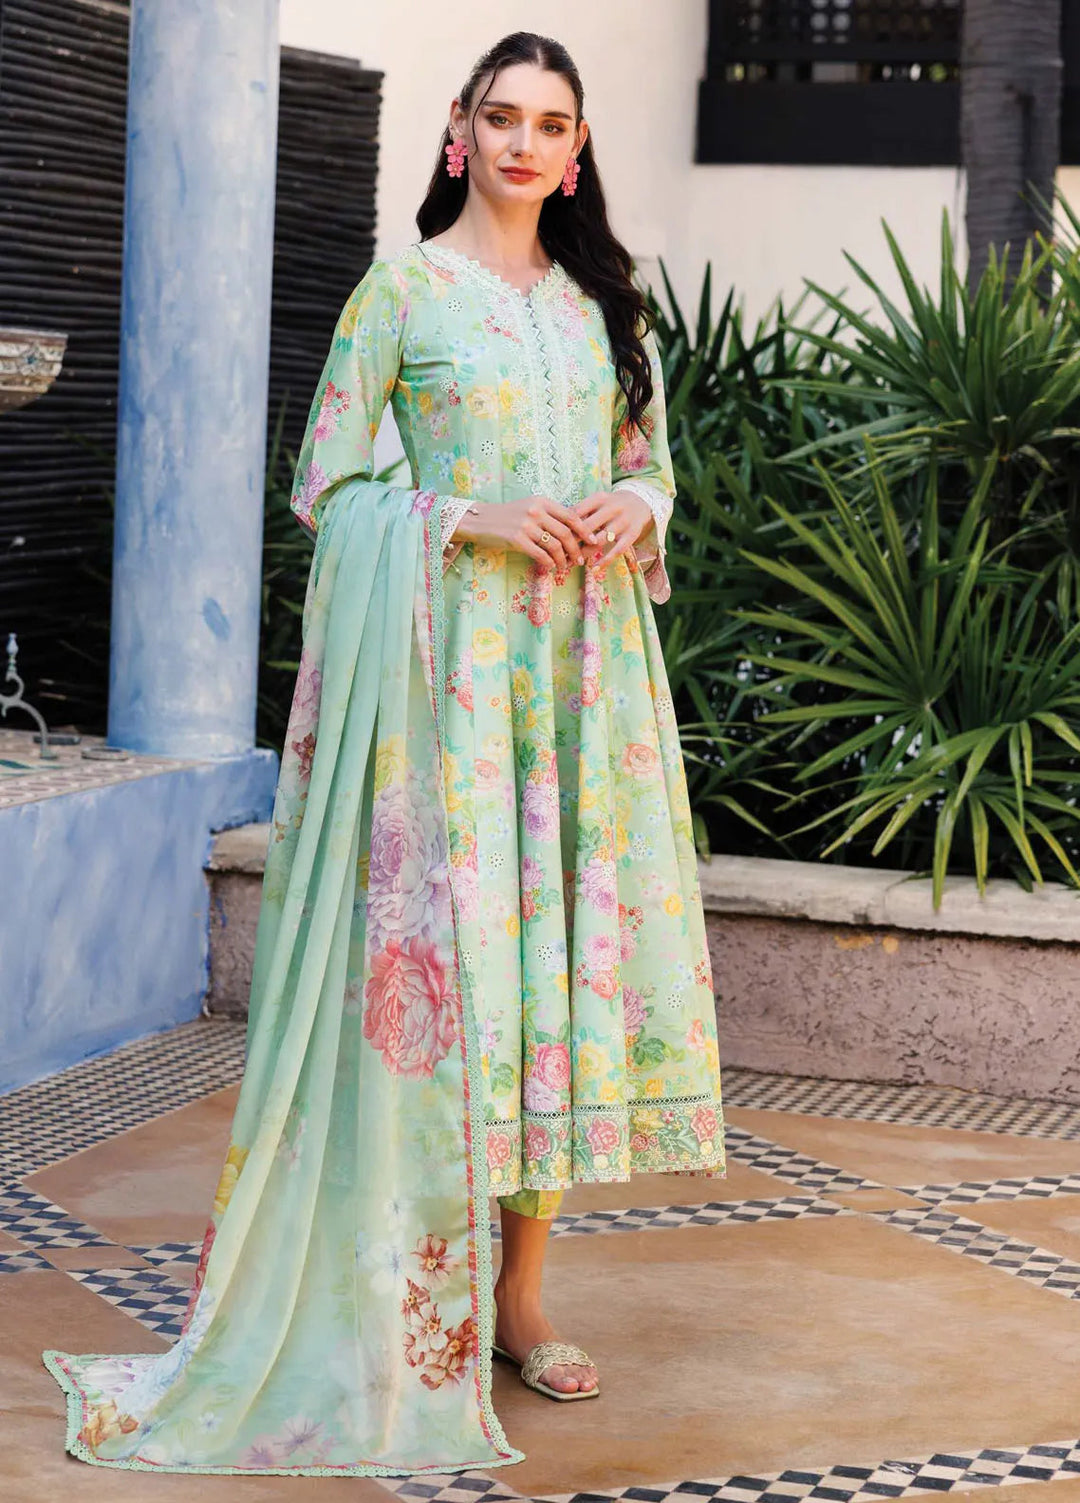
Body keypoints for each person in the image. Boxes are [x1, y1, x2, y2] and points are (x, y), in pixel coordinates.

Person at [43, 29, 725, 1477]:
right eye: (503, 117)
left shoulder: (607, 309)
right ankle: (407, 1294)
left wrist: (636, 508)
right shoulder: (401, 293)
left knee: (549, 977)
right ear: (460, 132)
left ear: (578, 151)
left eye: (553, 124)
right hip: (447, 689)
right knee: (462, 978)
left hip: (581, 684)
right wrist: (467, 517)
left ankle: (523, 1299)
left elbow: (650, 467)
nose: (526, 144)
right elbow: (328, 483)